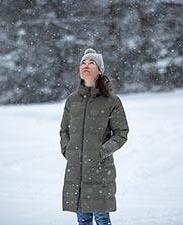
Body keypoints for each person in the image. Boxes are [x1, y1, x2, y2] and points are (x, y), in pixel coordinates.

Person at [59, 48, 129, 225]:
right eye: (83, 62)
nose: (86, 65)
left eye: (91, 63)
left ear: (100, 71)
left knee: (101, 218)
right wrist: (68, 150)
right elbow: (63, 130)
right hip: (76, 170)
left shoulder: (111, 101)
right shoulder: (72, 100)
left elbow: (121, 133)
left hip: (100, 169)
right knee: (82, 219)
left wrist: (101, 152)